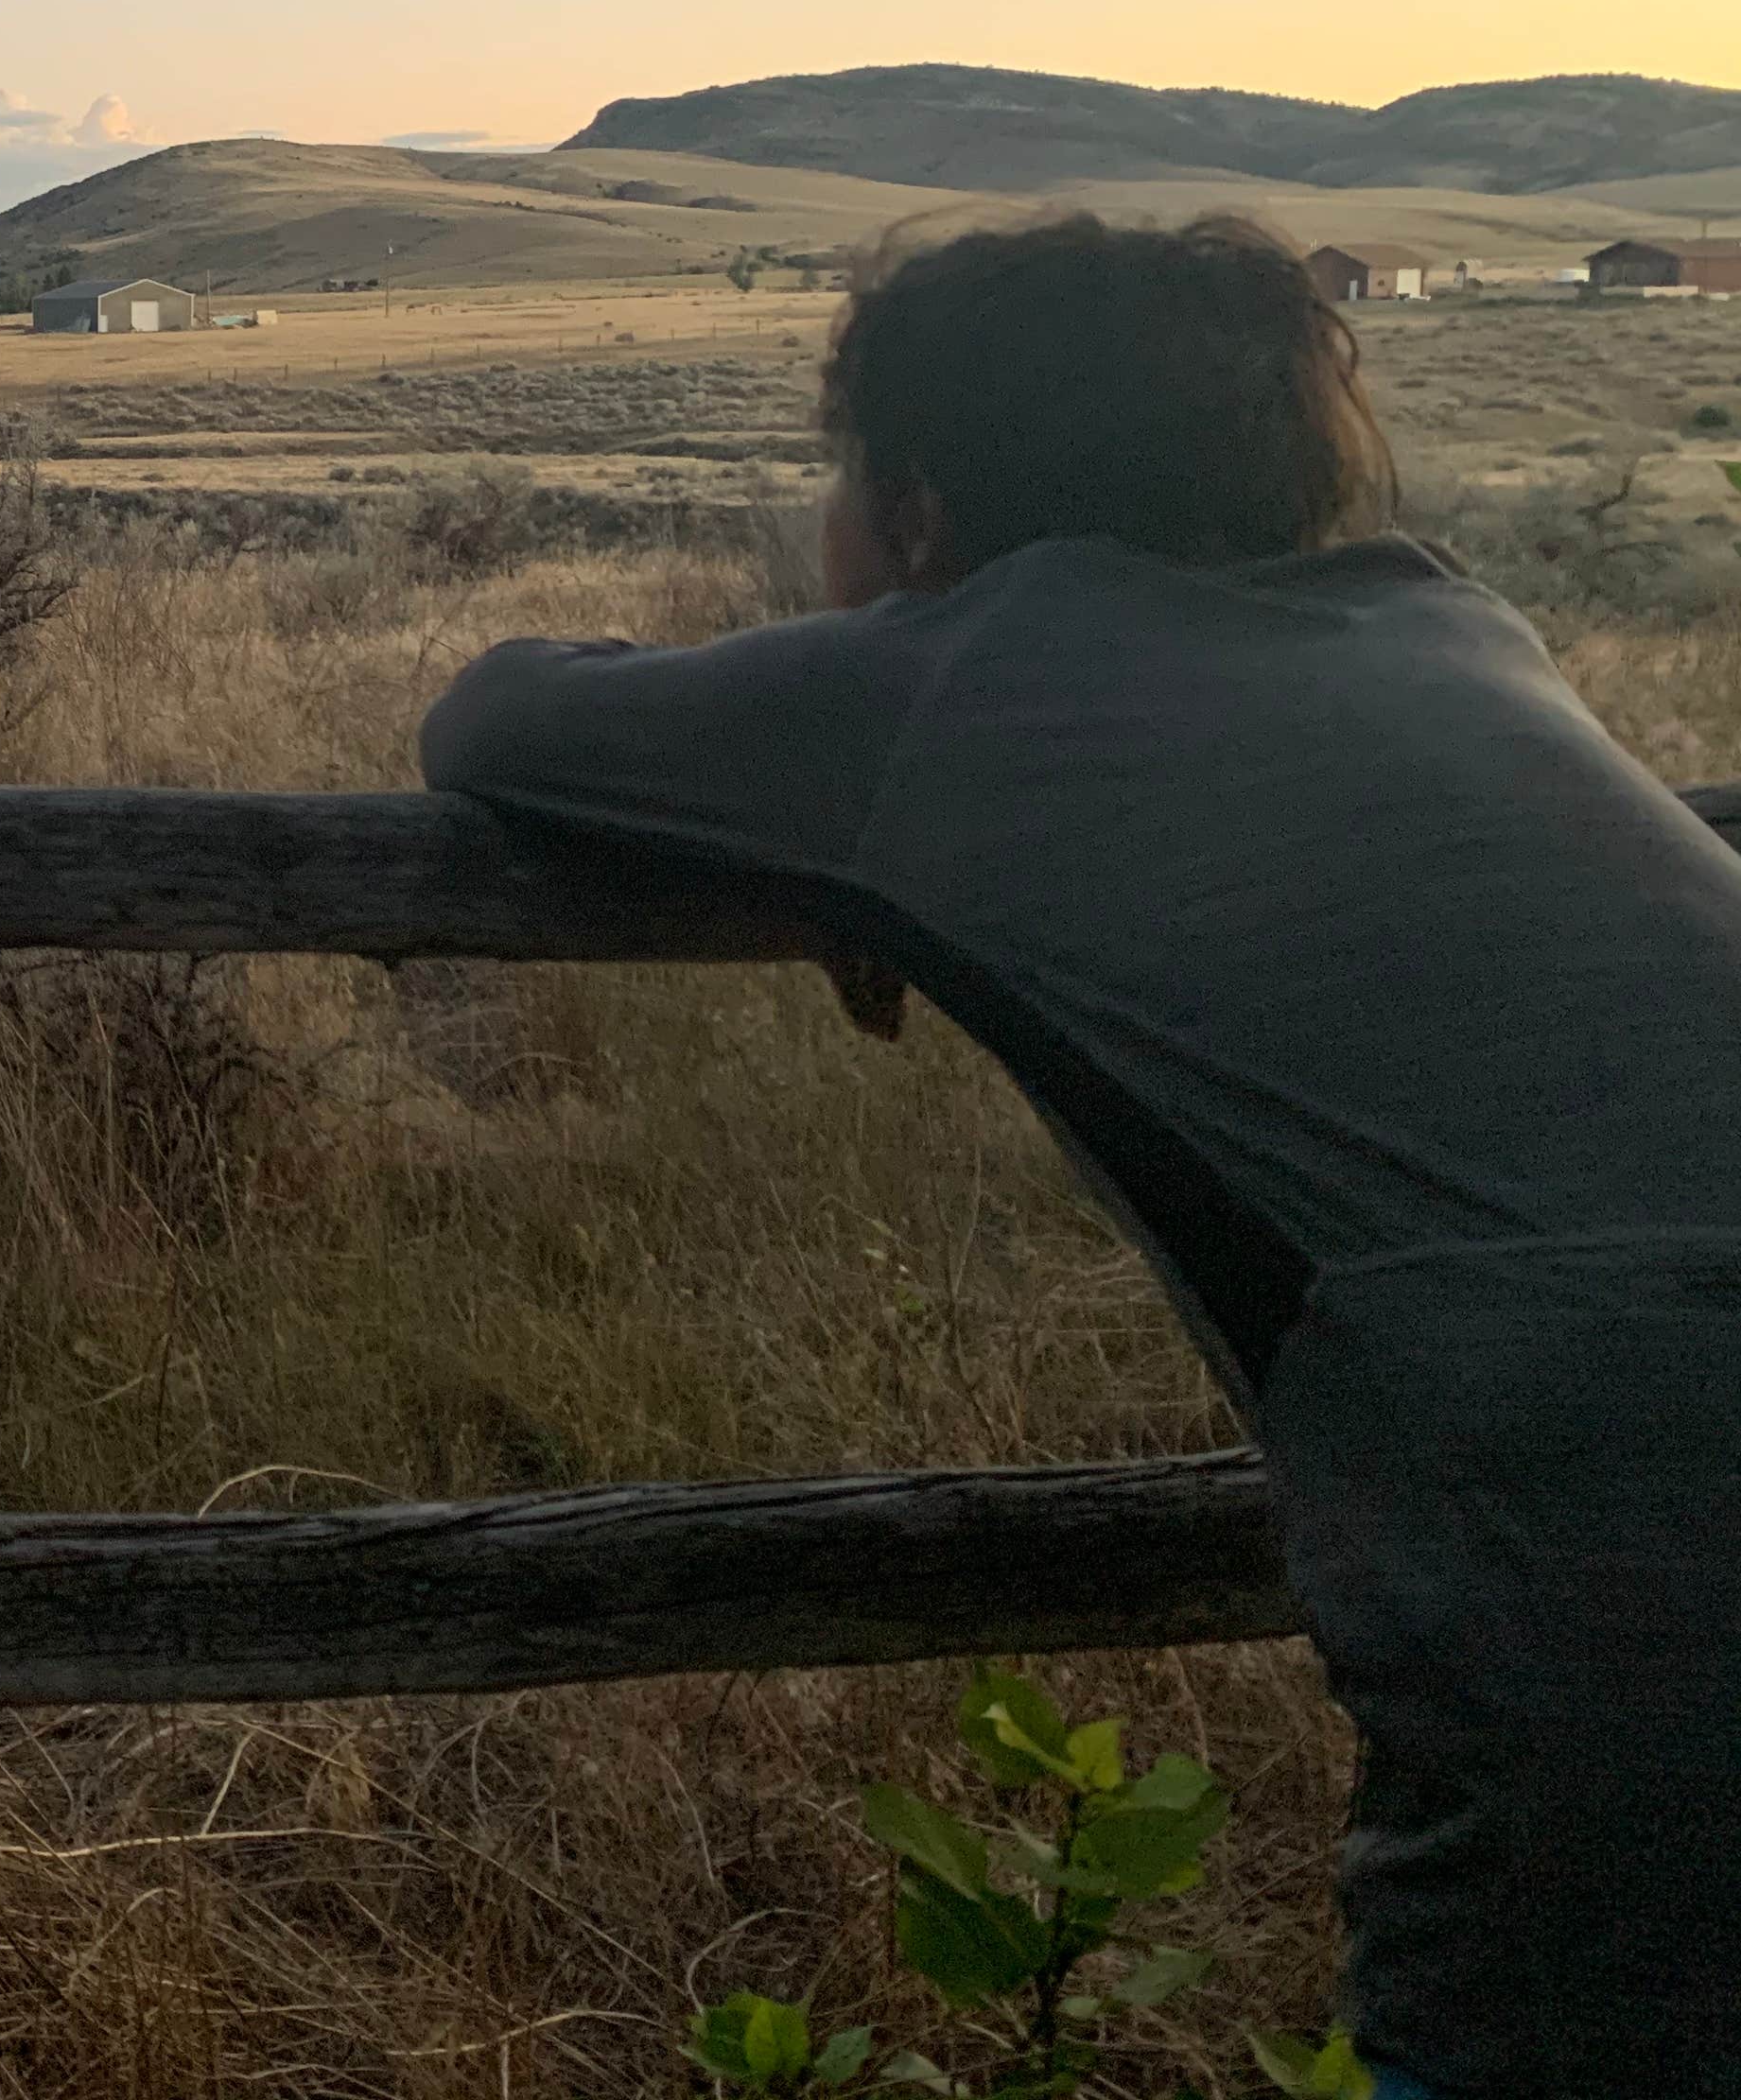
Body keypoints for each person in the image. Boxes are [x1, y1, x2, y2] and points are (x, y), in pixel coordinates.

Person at [416, 215, 1741, 2100]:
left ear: (925, 509)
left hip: (1629, 1578)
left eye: (844, 480)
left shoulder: (966, 672)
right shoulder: (1449, 624)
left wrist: (848, 829)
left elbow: (497, 715)